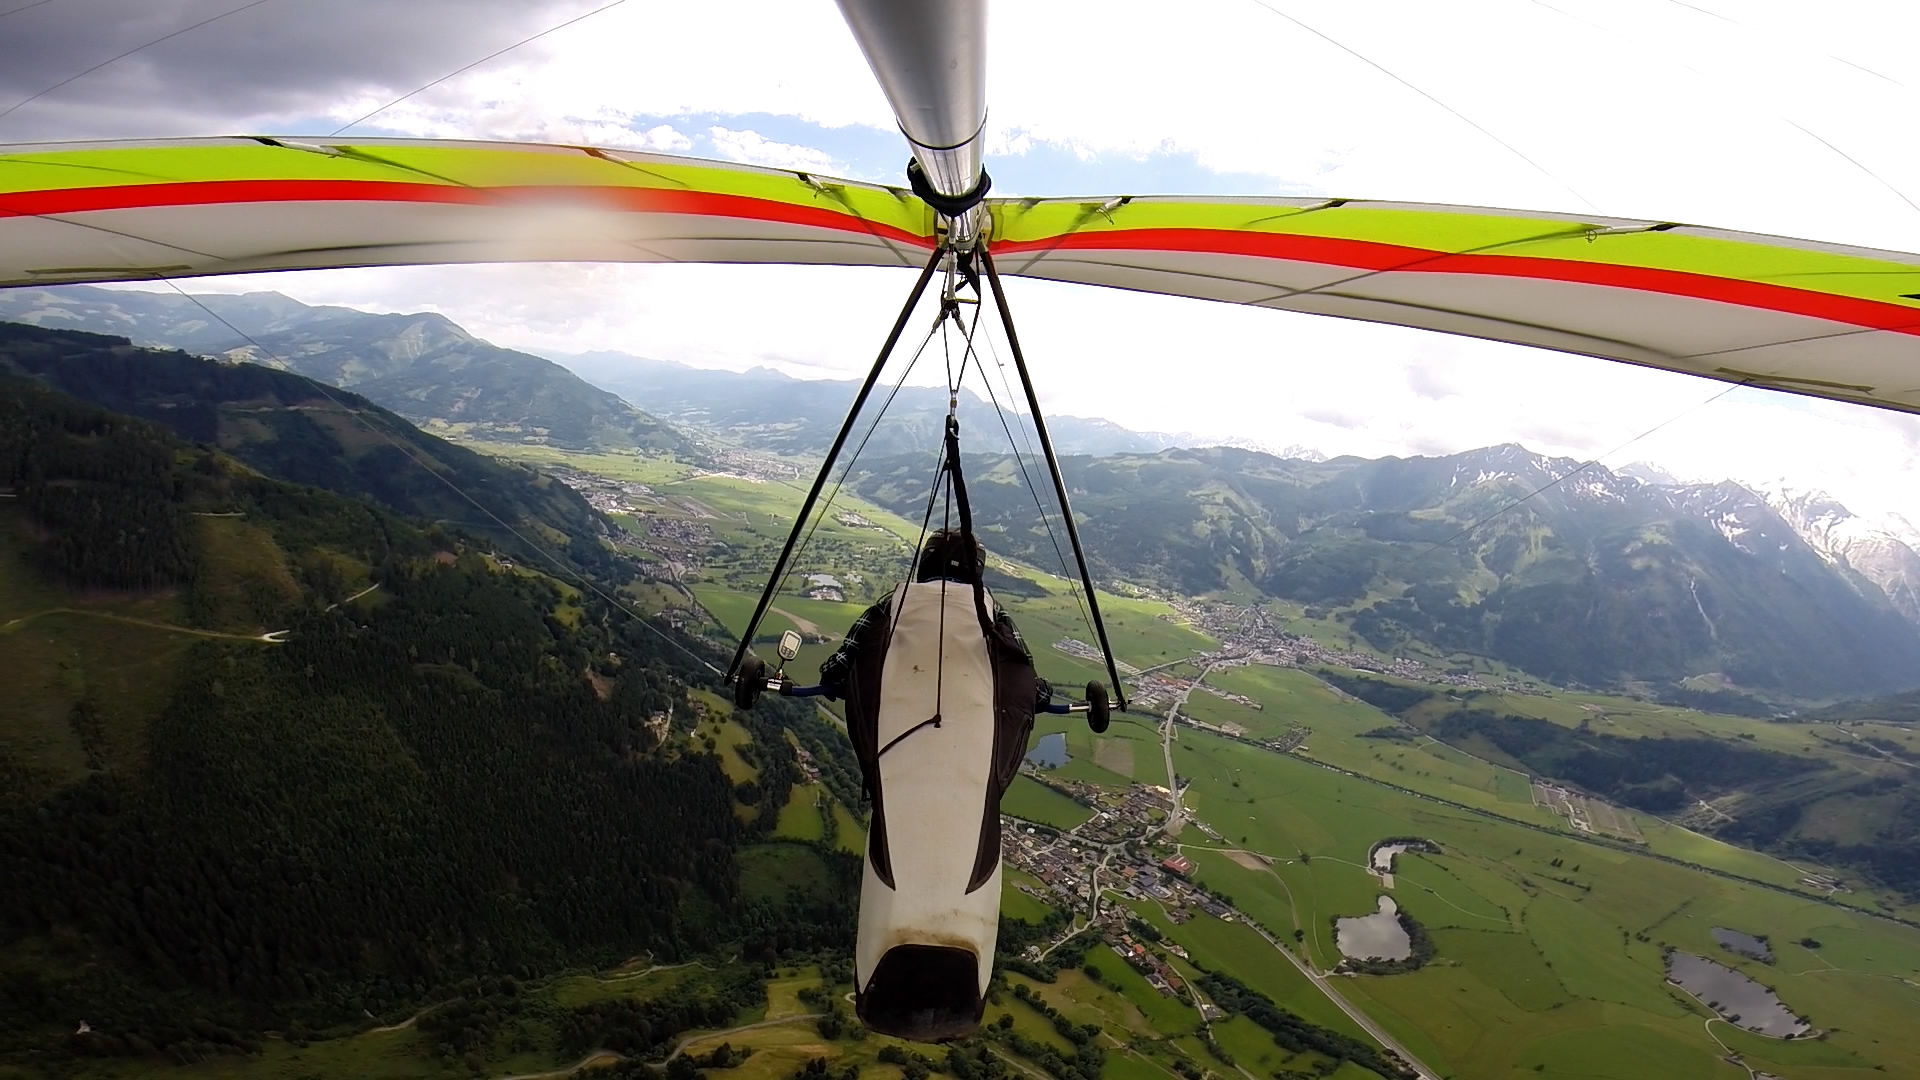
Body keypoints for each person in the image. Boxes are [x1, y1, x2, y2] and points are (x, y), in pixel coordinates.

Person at [818, 527, 1052, 708]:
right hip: (969, 729)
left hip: (893, 718)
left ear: (927, 562)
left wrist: (832, 679)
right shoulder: (992, 612)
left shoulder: (894, 602)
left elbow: (839, 665)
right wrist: (1043, 692)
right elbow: (1027, 681)